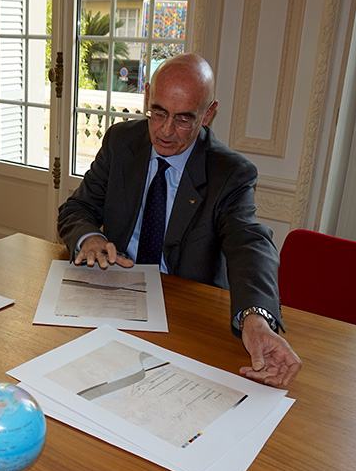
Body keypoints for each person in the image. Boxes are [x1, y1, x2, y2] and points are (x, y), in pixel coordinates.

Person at [57, 54, 301, 387]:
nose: (166, 131)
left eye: (184, 119)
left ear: (208, 113)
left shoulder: (229, 173)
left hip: (185, 316)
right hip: (115, 296)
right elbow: (76, 209)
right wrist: (90, 238)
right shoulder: (121, 142)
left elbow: (250, 244)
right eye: (158, 113)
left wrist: (255, 315)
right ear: (147, 97)